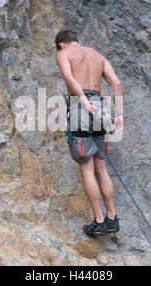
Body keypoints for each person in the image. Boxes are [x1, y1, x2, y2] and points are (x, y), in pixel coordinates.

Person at [55, 29, 123, 236]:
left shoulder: (63, 54)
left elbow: (68, 77)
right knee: (101, 167)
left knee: (87, 169)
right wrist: (118, 115)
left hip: (81, 107)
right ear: (77, 40)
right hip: (100, 108)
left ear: (61, 44)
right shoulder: (97, 55)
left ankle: (99, 221)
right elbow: (116, 83)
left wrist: (83, 100)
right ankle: (112, 218)